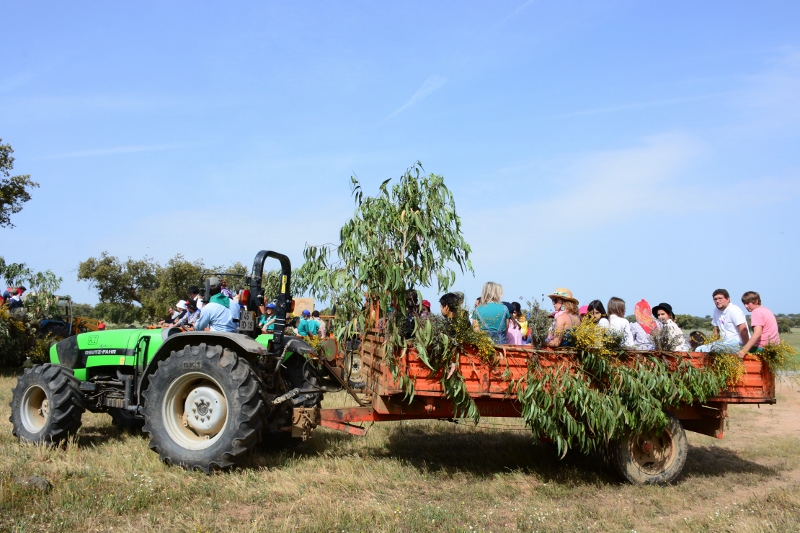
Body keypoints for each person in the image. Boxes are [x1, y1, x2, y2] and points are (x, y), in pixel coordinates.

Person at [736, 291, 780, 357]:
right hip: (774, 346)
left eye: (748, 303)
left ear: (756, 301)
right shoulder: (766, 310)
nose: (746, 306)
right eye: (744, 303)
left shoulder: (756, 312)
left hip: (762, 347)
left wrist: (743, 351)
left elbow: (757, 333)